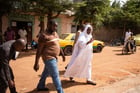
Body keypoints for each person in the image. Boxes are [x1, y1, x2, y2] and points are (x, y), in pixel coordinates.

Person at [33, 20, 65, 93]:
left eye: (56, 26)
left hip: (55, 57)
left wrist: (62, 54)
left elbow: (58, 45)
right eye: (54, 26)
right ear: (48, 25)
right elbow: (39, 51)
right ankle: (60, 91)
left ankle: (40, 86)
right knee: (55, 75)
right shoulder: (43, 36)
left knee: (45, 73)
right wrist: (36, 63)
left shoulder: (55, 33)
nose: (55, 27)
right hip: (48, 58)